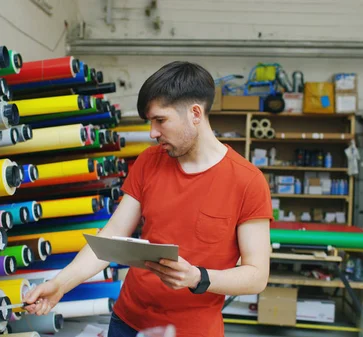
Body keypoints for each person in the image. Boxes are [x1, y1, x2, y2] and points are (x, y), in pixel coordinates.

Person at [23, 61, 272, 337]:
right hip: (128, 321)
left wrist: (198, 278)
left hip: (192, 331)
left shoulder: (248, 182)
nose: (152, 133)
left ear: (195, 114)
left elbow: (257, 275)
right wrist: (60, 284)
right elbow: (113, 237)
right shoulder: (149, 161)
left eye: (160, 120)